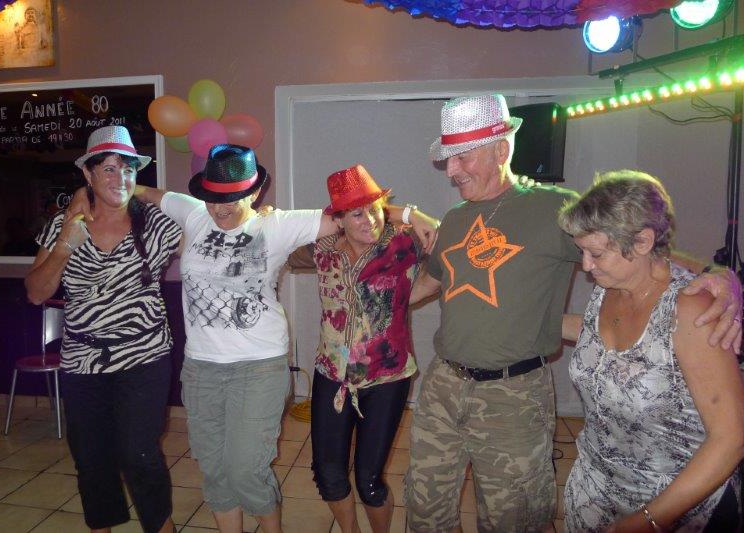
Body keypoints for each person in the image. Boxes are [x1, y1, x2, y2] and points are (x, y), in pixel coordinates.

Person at [404, 94, 743, 533]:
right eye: (448, 159)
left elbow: (637, 248)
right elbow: (431, 280)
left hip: (512, 394)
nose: (451, 170)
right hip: (443, 383)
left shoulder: (554, 209)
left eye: (462, 157)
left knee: (513, 518)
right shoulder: (452, 219)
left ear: (501, 150)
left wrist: (717, 275)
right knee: (424, 506)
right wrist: (382, 300)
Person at [129, 145, 438, 533]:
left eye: (232, 197)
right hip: (286, 371)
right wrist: (113, 188)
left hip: (335, 371)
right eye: (213, 197)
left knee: (348, 480)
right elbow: (152, 194)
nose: (220, 208)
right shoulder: (203, 215)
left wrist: (409, 216)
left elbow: (372, 220)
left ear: (254, 192)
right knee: (280, 473)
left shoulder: (389, 240)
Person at [558, 170, 744, 531]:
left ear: (643, 242)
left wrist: (648, 521)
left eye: (596, 253)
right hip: (595, 494)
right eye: (583, 252)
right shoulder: (610, 287)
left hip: (674, 508)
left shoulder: (690, 311)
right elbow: (609, 344)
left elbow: (731, 438)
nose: (585, 266)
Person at [25, 126, 181, 533]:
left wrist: (140, 191)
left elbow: (206, 214)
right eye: (108, 169)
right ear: (88, 174)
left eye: (128, 169)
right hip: (83, 362)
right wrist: (65, 242)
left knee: (139, 455)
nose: (120, 178)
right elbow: (36, 293)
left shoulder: (157, 224)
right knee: (92, 461)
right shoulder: (63, 224)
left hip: (144, 356)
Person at [289, 164, 434, 533]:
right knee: (328, 474)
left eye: (375, 209)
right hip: (331, 375)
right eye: (356, 213)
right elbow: (279, 244)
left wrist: (410, 215)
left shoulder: (403, 242)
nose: (369, 220)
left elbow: (450, 254)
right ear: (338, 219)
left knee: (369, 481)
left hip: (387, 377)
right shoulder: (321, 251)